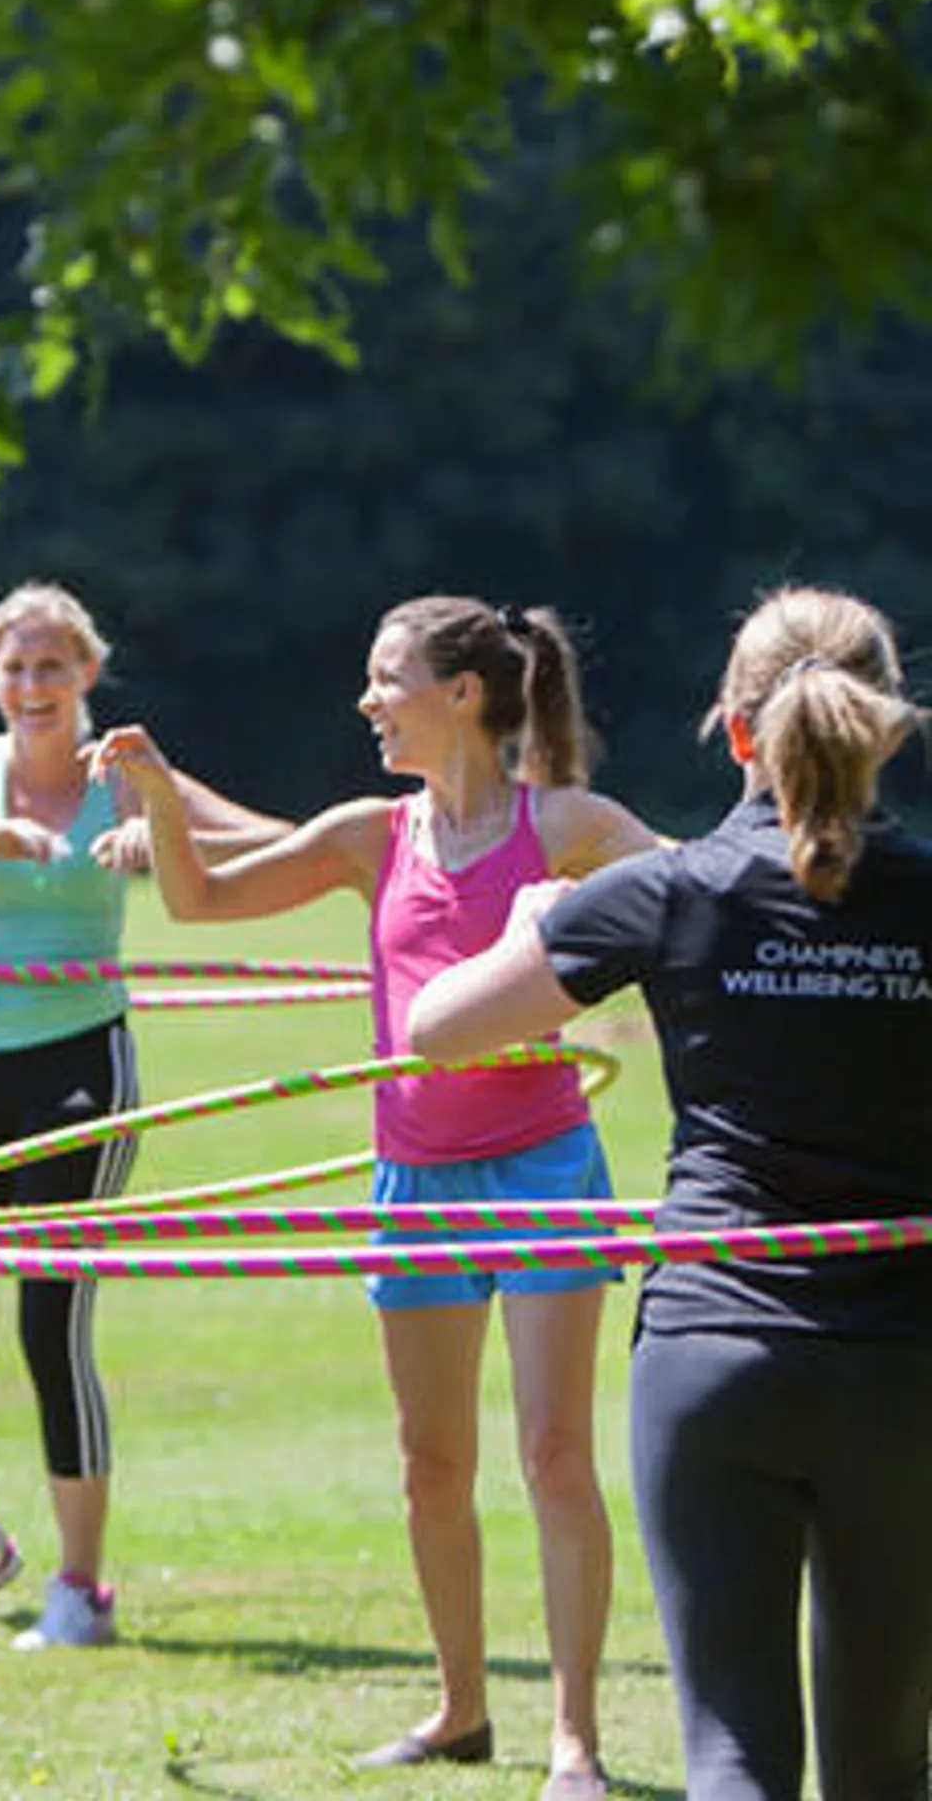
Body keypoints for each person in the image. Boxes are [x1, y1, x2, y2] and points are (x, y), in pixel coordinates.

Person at [92, 595, 660, 1801]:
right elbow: (200, 903)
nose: (364, 700)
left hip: (545, 1163)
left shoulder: (560, 824)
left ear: (461, 691)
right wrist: (155, 797)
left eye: (384, 677)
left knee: (555, 1453)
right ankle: (459, 1710)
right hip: (414, 1178)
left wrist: (573, 924)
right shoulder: (369, 834)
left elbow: (702, 897)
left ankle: (573, 1740)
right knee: (428, 1459)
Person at [407, 587, 932, 1801]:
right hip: (905, 1364)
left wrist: (535, 920)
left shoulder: (670, 890)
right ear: (886, 732)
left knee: (733, 1754)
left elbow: (438, 1029)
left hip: (715, 1351)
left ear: (731, 730)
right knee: (883, 1770)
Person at [0, 580, 292, 1650]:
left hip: (81, 1065)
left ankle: (81, 1586)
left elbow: (275, 843)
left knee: (48, 1321)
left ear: (87, 672)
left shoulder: (121, 773)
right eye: (14, 666)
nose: (32, 684)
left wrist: (159, 829)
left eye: (52, 665)